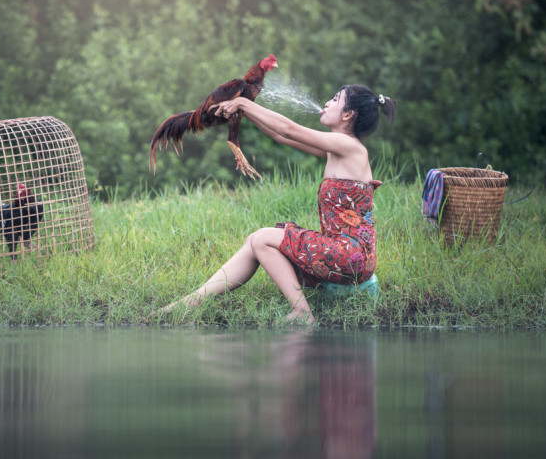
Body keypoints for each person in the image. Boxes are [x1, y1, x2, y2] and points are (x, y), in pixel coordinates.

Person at [160, 84, 397, 324]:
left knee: (263, 237)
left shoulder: (349, 147)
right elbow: (280, 135)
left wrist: (243, 103)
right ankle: (192, 301)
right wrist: (246, 112)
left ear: (348, 115)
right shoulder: (336, 149)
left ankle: (302, 313)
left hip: (350, 256)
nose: (327, 103)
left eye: (335, 100)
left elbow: (289, 129)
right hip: (340, 253)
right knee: (256, 241)